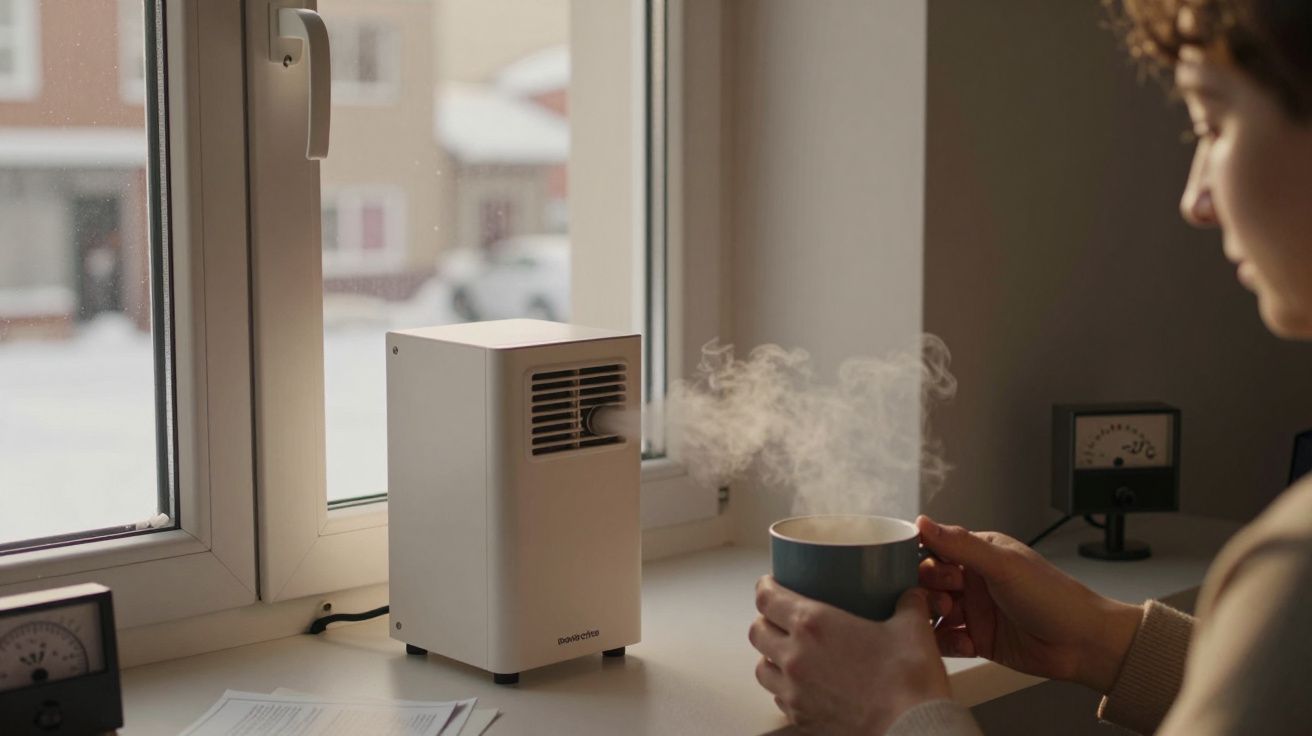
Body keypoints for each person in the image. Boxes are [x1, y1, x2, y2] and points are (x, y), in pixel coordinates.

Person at [748, 1, 1312, 733]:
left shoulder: (1294, 564)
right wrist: (1099, 637)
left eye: (1213, 126)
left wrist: (899, 713)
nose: (1194, 199)